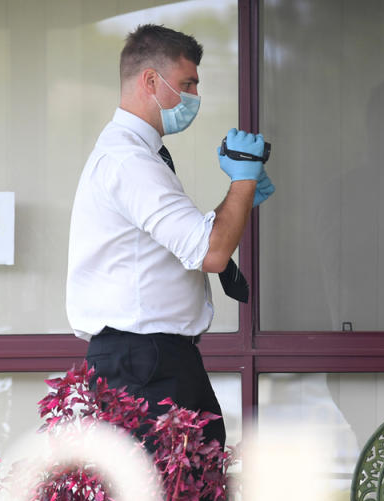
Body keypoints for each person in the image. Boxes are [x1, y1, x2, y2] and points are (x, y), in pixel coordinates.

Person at [66, 24, 273, 449]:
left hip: (152, 359)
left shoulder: (138, 155)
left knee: (197, 485)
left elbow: (197, 240)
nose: (194, 97)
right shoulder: (129, 161)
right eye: (187, 84)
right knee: (173, 500)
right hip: (144, 362)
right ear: (150, 81)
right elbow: (211, 252)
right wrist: (242, 181)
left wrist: (243, 191)